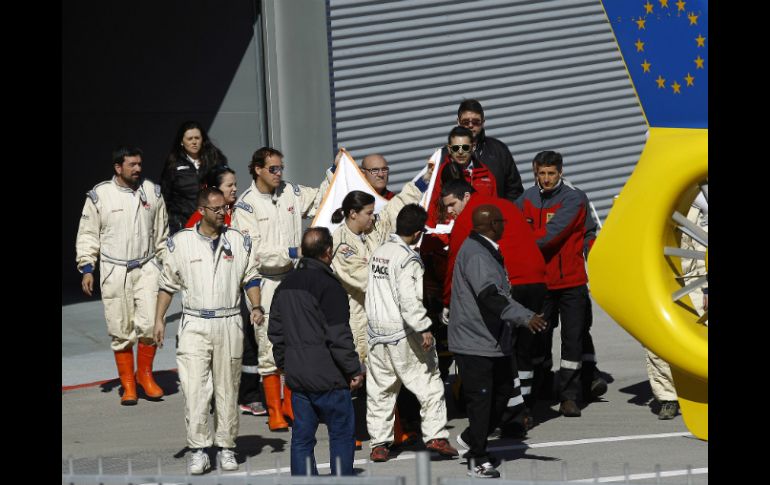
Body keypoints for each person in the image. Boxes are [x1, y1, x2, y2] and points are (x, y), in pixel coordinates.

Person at [153, 187, 262, 475]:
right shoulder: (181, 243)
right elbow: (166, 285)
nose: (223, 213)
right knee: (195, 389)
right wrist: (159, 319)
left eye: (225, 208)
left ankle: (226, 447)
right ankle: (198, 450)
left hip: (229, 322)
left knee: (228, 387)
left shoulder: (237, 240)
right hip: (195, 323)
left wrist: (256, 306)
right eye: (216, 209)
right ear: (201, 211)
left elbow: (250, 278)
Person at [230, 147, 333, 431]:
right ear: (257, 169)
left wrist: (335, 171)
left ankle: (290, 405)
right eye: (273, 169)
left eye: (281, 168)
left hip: (293, 278)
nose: (279, 173)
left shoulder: (290, 192)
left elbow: (321, 198)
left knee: (295, 342)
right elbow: (255, 253)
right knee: (267, 344)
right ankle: (274, 409)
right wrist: (294, 251)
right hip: (264, 282)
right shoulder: (246, 206)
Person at [330, 169, 430, 447]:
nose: (373, 217)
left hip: (384, 314)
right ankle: (352, 433)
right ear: (353, 214)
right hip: (357, 317)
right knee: (356, 378)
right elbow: (363, 279)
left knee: (390, 375)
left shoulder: (374, 228)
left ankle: (397, 430)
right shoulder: (341, 244)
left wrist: (422, 180)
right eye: (368, 213)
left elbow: (394, 208)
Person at [440, 179, 547, 432]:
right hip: (536, 279)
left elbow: (456, 263)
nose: (449, 211)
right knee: (524, 352)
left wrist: (447, 301)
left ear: (466, 197)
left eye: (452, 204)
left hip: (510, 284)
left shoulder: (472, 217)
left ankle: (512, 415)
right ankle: (525, 408)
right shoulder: (505, 205)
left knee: (504, 352)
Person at [365, 204, 459, 462]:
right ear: (418, 233)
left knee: (381, 391)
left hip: (376, 333)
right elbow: (409, 300)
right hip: (402, 333)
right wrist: (424, 328)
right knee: (430, 384)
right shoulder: (409, 259)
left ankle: (379, 444)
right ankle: (436, 436)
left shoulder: (379, 252)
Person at [76, 146, 168, 406]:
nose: (138, 169)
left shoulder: (152, 192)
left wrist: (169, 267)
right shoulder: (100, 195)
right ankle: (128, 384)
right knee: (120, 328)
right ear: (118, 167)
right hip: (114, 270)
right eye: (132, 165)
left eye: (139, 164)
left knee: (150, 324)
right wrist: (87, 267)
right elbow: (88, 234)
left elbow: (161, 235)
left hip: (147, 267)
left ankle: (145, 376)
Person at [268, 227, 364, 476]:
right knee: (341, 434)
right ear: (328, 251)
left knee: (302, 437)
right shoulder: (329, 286)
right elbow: (338, 335)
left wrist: (285, 364)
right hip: (330, 377)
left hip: (298, 377)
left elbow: (275, 332)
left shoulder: (285, 285)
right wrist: (353, 369)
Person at [516, 150, 602, 418]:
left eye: (551, 173)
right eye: (541, 173)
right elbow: (512, 225)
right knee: (538, 339)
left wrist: (521, 242)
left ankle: (569, 396)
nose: (546, 178)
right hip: (540, 282)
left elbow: (550, 236)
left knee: (572, 340)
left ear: (561, 172)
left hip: (571, 282)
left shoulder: (574, 199)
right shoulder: (526, 199)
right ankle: (539, 390)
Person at [184, 166, 267, 417]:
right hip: (212, 296)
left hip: (241, 288)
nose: (235, 189)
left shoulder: (242, 211)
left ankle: (250, 395)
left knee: (249, 342)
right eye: (229, 185)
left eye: (235, 184)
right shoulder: (197, 222)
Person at [160, 120, 228, 234]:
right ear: (182, 142)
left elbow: (225, 187)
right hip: (183, 224)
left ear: (202, 139)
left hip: (212, 222)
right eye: (190, 139)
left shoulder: (215, 159)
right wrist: (172, 221)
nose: (194, 142)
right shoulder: (174, 163)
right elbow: (165, 195)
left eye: (197, 138)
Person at [453, 99, 523, 201]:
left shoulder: (499, 150)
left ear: (483, 122)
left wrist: (504, 210)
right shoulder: (447, 154)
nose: (470, 125)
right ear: (458, 122)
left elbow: (514, 191)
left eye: (476, 122)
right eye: (465, 122)